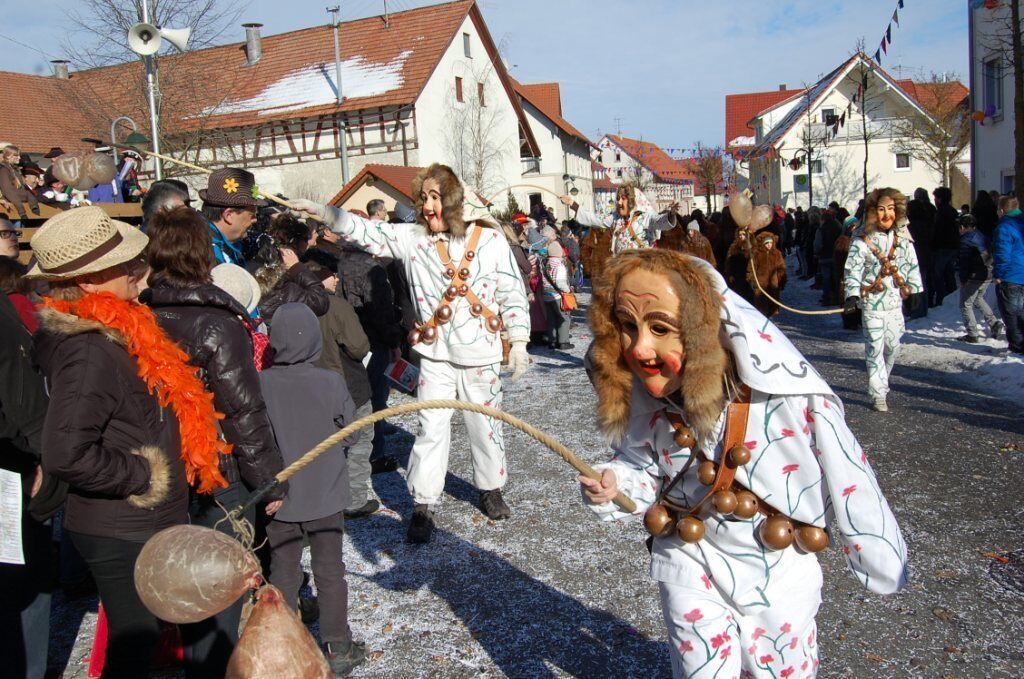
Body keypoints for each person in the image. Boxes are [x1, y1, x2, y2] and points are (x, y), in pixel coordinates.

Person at [579, 249, 906, 679]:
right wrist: (614, 481)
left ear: (703, 329)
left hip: (779, 569)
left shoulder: (787, 394)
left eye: (660, 327)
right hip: (690, 557)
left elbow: (848, 469)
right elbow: (642, 468)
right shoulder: (647, 400)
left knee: (778, 670)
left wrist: (873, 550)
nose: (640, 346)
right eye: (627, 325)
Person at [290, 164, 531, 543]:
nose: (428, 206)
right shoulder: (413, 239)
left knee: (485, 427)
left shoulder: (490, 241)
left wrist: (518, 340)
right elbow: (368, 230)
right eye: (424, 198)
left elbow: (511, 291)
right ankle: (423, 503)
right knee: (430, 428)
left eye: (436, 198)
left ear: (454, 201)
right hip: (434, 355)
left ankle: (490, 487)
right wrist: (326, 213)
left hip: (481, 354)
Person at [28, 207, 216, 678]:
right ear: (89, 282)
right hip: (120, 527)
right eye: (124, 264)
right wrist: (144, 475)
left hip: (136, 522)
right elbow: (65, 451)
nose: (140, 269)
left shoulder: (120, 327)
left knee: (145, 642)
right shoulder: (88, 349)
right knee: (135, 647)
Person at [139, 206, 286, 676]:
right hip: (214, 469)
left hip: (156, 467)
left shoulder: (139, 314)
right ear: (204, 255)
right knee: (214, 586)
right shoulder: (216, 323)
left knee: (176, 580)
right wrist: (271, 481)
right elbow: (242, 410)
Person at [259, 303, 366, 676]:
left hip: (281, 500)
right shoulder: (330, 381)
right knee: (329, 570)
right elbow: (351, 429)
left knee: (283, 571)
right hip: (325, 494)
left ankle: (285, 646)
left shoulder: (261, 383)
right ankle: (338, 646)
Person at [0, 290, 54, 679]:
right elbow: (22, 397)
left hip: (14, 458)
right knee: (20, 584)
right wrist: (36, 455)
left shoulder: (7, 306)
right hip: (10, 466)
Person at [305, 261, 382, 518]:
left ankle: (324, 497)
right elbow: (359, 347)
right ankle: (354, 499)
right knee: (358, 442)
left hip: (309, 389)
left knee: (323, 446)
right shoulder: (335, 306)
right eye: (330, 275)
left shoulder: (290, 306)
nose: (336, 279)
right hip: (347, 385)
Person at [842, 188, 924, 412]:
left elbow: (911, 264)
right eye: (881, 209)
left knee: (893, 347)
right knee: (875, 348)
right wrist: (851, 294)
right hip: (872, 304)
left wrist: (916, 290)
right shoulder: (861, 241)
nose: (886, 214)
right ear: (872, 212)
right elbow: (853, 269)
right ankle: (878, 393)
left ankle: (883, 380)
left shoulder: (903, 239)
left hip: (894, 304)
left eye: (890, 209)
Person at [559, 183, 678, 254]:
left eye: (623, 198)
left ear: (632, 201)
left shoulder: (646, 217)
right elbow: (595, 219)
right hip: (620, 268)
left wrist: (671, 214)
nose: (619, 202)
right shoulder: (616, 217)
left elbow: (660, 221)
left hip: (641, 269)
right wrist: (572, 204)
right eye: (618, 198)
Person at [253, 215, 330, 322]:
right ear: (295, 242)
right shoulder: (283, 280)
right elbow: (320, 302)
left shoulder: (259, 257)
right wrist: (297, 268)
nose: (310, 244)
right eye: (306, 239)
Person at [200, 168, 267, 267]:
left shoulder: (223, 244)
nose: (255, 220)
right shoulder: (207, 254)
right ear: (229, 215)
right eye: (251, 215)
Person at [956, 214, 1003, 343]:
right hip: (988, 272)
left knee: (965, 304)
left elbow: (964, 262)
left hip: (974, 275)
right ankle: (994, 323)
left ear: (962, 227)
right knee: (978, 298)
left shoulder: (965, 240)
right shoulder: (981, 235)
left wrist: (963, 279)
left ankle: (972, 333)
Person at [992, 196, 1024, 354]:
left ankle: (1017, 347)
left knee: (1012, 315)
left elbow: (1003, 255)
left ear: (1002, 210)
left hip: (1011, 276)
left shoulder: (1004, 228)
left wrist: (998, 274)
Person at [540, 225, 573, 350]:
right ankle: (563, 341)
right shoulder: (558, 265)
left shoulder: (546, 263)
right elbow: (560, 282)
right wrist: (568, 290)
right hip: (557, 295)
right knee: (563, 317)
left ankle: (552, 340)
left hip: (546, 294)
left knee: (551, 319)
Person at [930, 186, 960, 307]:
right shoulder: (952, 212)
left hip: (942, 247)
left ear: (940, 199)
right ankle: (952, 297)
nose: (935, 200)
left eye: (936, 198)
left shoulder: (940, 213)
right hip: (952, 247)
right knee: (949, 274)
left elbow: (937, 231)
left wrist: (933, 244)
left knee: (938, 275)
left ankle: (941, 299)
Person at [748, 229, 787, 317]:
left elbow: (781, 267)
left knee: (773, 299)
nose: (769, 245)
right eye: (767, 243)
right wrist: (752, 279)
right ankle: (761, 315)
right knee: (761, 302)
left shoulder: (777, 253)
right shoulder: (756, 254)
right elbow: (751, 267)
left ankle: (772, 312)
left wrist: (782, 279)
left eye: (770, 242)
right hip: (760, 282)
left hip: (773, 282)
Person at [0, 145, 40, 220]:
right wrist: (21, 211)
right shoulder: (3, 170)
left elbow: (23, 190)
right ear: (8, 156)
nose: (19, 157)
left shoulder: (15, 170)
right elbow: (8, 191)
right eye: (16, 155)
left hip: (18, 206)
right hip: (13, 209)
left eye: (19, 155)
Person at [814, 210, 842, 306]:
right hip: (836, 256)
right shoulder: (838, 228)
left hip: (824, 256)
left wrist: (817, 252)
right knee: (836, 277)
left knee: (826, 278)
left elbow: (818, 244)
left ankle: (827, 297)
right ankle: (837, 297)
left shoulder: (821, 229)